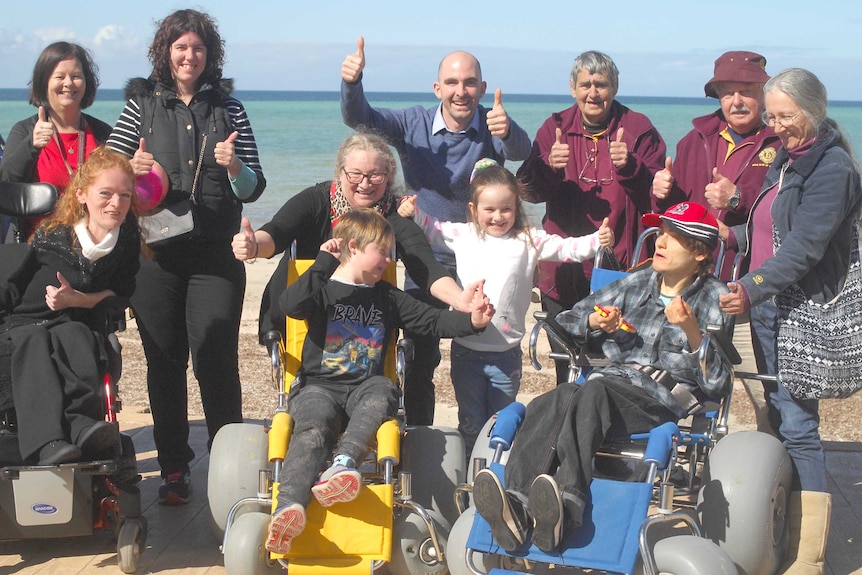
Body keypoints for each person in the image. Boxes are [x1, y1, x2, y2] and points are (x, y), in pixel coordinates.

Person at [472, 201, 733, 553]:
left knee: (588, 393)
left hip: (659, 398)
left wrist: (691, 330)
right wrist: (595, 322)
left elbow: (718, 383)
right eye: (661, 233)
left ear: (700, 253)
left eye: (674, 238)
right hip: (606, 386)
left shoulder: (717, 298)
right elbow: (565, 322)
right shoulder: (637, 281)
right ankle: (517, 506)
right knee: (554, 399)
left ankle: (565, 503)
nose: (660, 242)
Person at [264, 209, 494, 554]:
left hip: (364, 386)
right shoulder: (321, 289)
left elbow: (432, 322)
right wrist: (323, 264)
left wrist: (472, 321)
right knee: (312, 429)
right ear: (353, 247)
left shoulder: (387, 297)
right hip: (317, 386)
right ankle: (289, 508)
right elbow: (289, 307)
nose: (388, 260)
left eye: (391, 253)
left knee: (383, 391)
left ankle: (341, 466)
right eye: (382, 252)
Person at [107, 9, 266, 505]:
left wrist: (234, 163)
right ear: (165, 52)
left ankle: (229, 468)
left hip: (216, 255)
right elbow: (105, 175)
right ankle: (174, 468)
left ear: (208, 55)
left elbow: (254, 186)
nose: (189, 56)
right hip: (155, 256)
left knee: (217, 359)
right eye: (180, 47)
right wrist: (128, 168)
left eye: (197, 48)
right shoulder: (141, 105)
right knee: (164, 362)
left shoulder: (230, 108)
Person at [340, 37, 532, 425]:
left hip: (479, 258)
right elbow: (363, 120)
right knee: (418, 356)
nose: (461, 92)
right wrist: (352, 83)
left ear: (481, 86)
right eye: (452, 83)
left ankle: (484, 440)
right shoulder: (414, 123)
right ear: (438, 88)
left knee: (487, 350)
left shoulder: (491, 125)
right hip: (425, 257)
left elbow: (519, 151)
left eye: (470, 83)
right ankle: (419, 435)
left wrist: (508, 130)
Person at [233, 132, 483, 413]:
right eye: (355, 174)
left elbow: (427, 269)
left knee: (421, 353)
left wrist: (461, 301)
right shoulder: (317, 200)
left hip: (364, 318)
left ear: (389, 176)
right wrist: (253, 246)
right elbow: (276, 234)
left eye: (376, 175)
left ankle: (415, 436)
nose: (365, 184)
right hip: (302, 306)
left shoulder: (393, 218)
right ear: (340, 173)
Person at [398, 159, 613, 453]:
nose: (498, 217)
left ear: (517, 209)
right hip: (466, 350)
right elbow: (432, 228)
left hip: (506, 354)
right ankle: (472, 474)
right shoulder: (465, 235)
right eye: (489, 209)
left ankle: (497, 471)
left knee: (503, 421)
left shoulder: (527, 240)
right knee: (471, 421)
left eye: (506, 209)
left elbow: (566, 249)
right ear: (474, 210)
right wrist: (413, 212)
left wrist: (596, 241)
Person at [719, 68, 862, 493]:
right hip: (768, 304)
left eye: (786, 117)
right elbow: (767, 226)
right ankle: (779, 520)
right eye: (772, 118)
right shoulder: (788, 156)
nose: (777, 128)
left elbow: (803, 249)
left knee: (798, 424)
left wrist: (750, 286)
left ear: (814, 110)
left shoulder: (833, 168)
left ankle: (811, 546)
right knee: (778, 411)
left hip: (799, 309)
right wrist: (731, 234)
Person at [516, 50, 667, 383]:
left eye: (601, 84)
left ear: (613, 87)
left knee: (616, 366)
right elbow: (526, 193)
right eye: (585, 84)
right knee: (565, 364)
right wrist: (548, 168)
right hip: (563, 272)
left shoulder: (638, 129)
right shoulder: (553, 127)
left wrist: (631, 167)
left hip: (620, 271)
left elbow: (660, 201)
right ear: (573, 88)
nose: (593, 93)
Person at [652, 51, 782, 433]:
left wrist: (738, 199)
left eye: (746, 91)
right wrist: (661, 192)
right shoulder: (696, 139)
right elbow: (679, 214)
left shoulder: (781, 141)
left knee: (765, 391)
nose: (737, 101)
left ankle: (777, 474)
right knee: (688, 383)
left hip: (754, 288)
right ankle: (687, 466)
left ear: (764, 93)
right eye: (727, 93)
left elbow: (789, 216)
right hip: (696, 286)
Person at [0, 147, 142, 465]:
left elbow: (121, 294)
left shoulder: (126, 240)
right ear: (81, 195)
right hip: (24, 321)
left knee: (77, 335)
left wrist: (76, 300)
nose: (116, 203)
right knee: (36, 342)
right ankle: (48, 441)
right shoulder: (54, 237)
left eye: (125, 195)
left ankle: (82, 425)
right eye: (105, 193)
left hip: (72, 318)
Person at [0, 41, 112, 241]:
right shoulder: (24, 130)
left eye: (76, 76)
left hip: (95, 248)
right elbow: (6, 184)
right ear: (44, 82)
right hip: (38, 250)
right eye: (59, 77)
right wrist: (31, 145)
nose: (68, 83)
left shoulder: (102, 132)